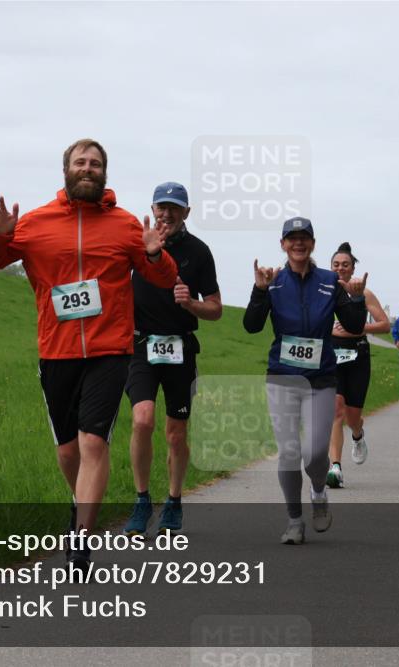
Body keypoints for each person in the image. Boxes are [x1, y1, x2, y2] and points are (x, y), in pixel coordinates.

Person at [0, 138, 178, 572]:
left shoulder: (125, 225)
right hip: (57, 350)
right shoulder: (33, 223)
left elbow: (162, 279)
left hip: (110, 350)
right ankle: (79, 505)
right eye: (80, 162)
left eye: (96, 163)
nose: (88, 168)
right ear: (66, 169)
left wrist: (155, 252)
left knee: (92, 442)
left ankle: (81, 542)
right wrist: (1, 233)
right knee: (68, 452)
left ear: (105, 172)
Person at [243, 217, 367, 544]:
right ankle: (294, 520)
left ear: (313, 244)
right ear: (283, 244)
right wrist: (259, 290)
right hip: (282, 378)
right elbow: (252, 326)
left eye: (304, 239)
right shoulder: (274, 281)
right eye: (291, 239)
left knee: (314, 454)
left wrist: (356, 297)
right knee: (288, 452)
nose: (298, 244)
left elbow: (353, 324)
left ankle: (318, 491)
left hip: (320, 380)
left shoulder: (329, 281)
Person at [123, 182, 222, 536]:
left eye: (174, 208)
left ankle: (174, 501)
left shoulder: (199, 252)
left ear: (186, 213)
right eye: (161, 207)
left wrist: (191, 303)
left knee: (176, 433)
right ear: (152, 208)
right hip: (141, 346)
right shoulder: (136, 243)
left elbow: (216, 308)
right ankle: (141, 500)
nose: (167, 214)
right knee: (142, 420)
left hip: (180, 348)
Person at [326, 242, 390, 489]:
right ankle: (335, 468)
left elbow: (385, 325)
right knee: (336, 409)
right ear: (330, 267)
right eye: (336, 264)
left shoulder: (364, 293)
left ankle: (358, 434)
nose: (340, 268)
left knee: (353, 417)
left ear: (353, 268)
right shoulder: (323, 290)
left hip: (356, 355)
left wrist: (358, 327)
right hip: (331, 354)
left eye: (345, 265)